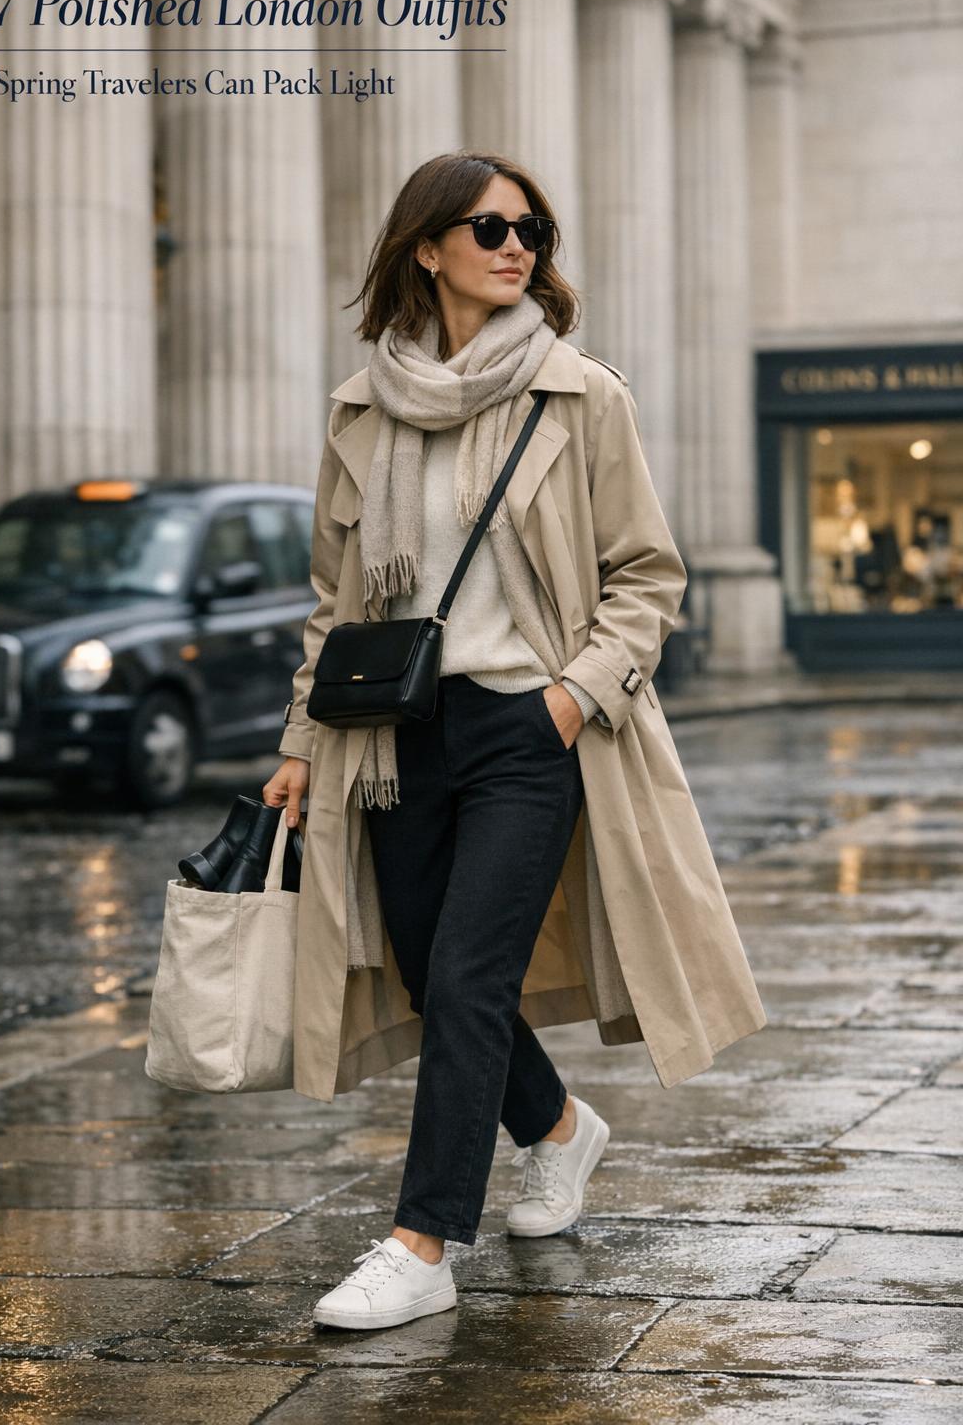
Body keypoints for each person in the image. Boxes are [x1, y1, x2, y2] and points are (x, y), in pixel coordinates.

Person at [263, 150, 681, 1330]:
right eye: (491, 227)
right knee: (423, 966)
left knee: (466, 974)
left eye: (532, 231)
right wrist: (301, 737)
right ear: (426, 247)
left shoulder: (578, 395)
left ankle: (422, 1242)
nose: (517, 248)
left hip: (524, 728)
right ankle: (557, 1126)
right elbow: (335, 598)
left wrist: (570, 696)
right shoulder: (362, 406)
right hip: (393, 734)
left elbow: (646, 575)